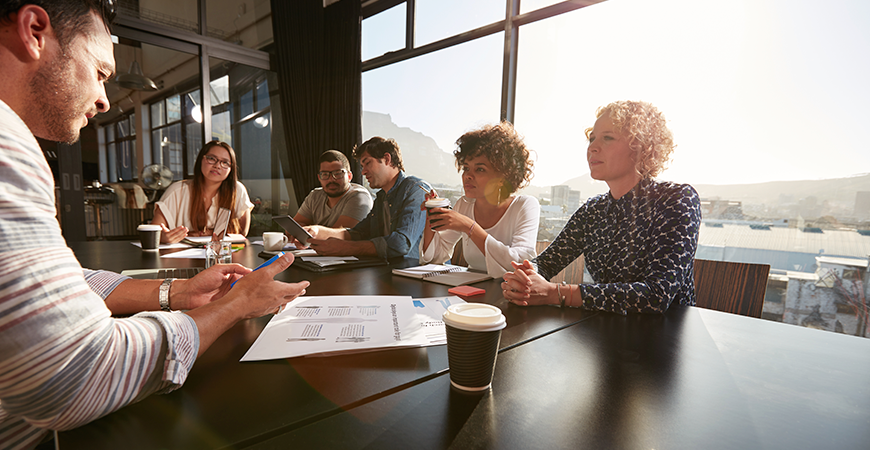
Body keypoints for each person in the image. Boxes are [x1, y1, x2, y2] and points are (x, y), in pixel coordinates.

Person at [0, 2, 309, 449]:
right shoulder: (8, 145)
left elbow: (58, 283)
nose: (105, 99)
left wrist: (176, 292)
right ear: (34, 30)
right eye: (102, 71)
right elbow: (76, 376)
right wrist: (233, 308)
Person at [502, 100, 701, 314]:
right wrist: (526, 275)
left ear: (641, 147)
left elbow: (656, 295)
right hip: (604, 333)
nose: (592, 148)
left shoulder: (677, 199)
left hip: (669, 338)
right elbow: (547, 262)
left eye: (608, 138)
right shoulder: (592, 210)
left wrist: (556, 292)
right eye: (592, 138)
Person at [420, 122, 540, 278]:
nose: (468, 176)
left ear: (503, 176)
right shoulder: (464, 205)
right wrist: (433, 213)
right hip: (471, 292)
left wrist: (469, 226)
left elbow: (520, 264)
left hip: (512, 295)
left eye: (480, 169)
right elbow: (434, 258)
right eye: (466, 168)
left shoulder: (525, 205)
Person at [301, 137, 429, 259]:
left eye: (368, 163)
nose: (363, 172)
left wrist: (347, 248)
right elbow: (359, 233)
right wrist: (317, 231)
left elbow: (401, 243)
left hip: (415, 274)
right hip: (387, 271)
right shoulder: (381, 197)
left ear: (387, 159)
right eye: (362, 166)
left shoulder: (416, 189)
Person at [151, 140, 254, 244]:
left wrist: (207, 233)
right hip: (183, 256)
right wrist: (162, 237)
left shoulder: (237, 190)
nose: (217, 166)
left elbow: (242, 233)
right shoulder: (177, 191)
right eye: (212, 159)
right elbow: (153, 232)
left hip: (223, 255)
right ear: (201, 159)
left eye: (225, 162)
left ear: (231, 169)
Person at [294, 150, 373, 228]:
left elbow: (339, 236)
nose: (331, 179)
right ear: (319, 178)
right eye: (325, 174)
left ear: (349, 176)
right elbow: (293, 227)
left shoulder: (360, 196)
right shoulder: (315, 196)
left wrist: (311, 230)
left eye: (338, 174)